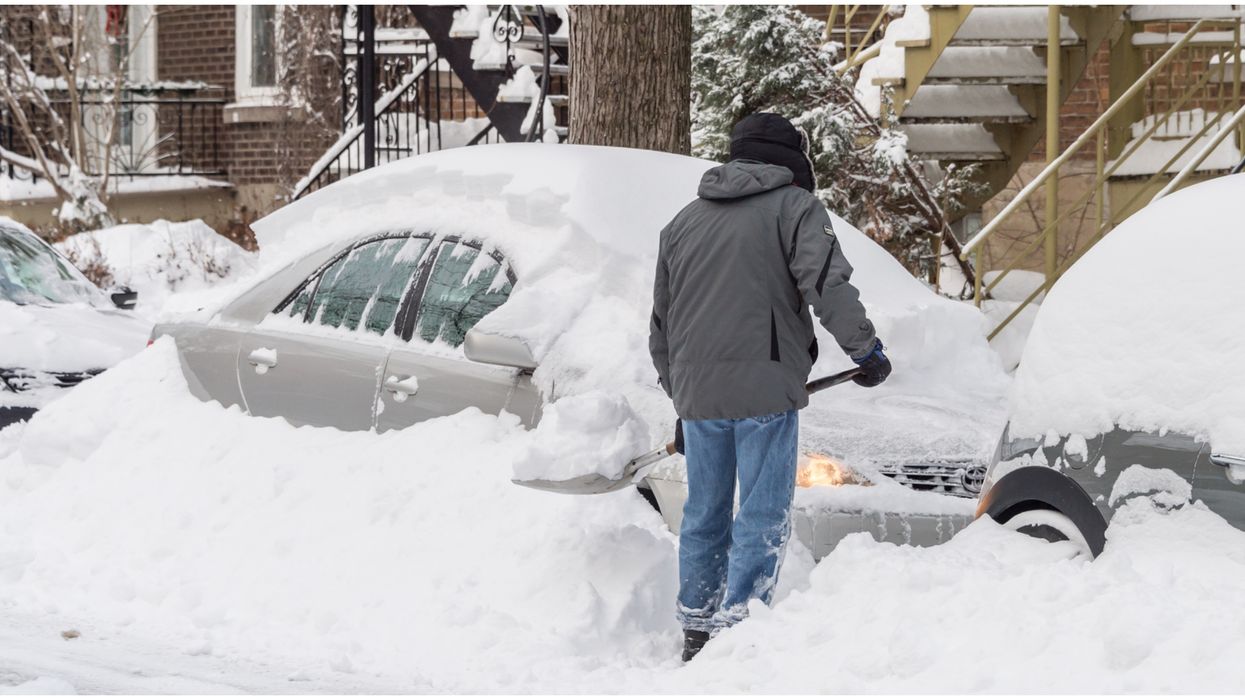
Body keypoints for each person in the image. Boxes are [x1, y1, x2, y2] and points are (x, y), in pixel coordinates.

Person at [648, 113, 892, 663]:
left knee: (704, 513)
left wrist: (681, 400)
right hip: (763, 391)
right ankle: (741, 627)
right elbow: (827, 284)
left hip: (699, 396)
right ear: (790, 159)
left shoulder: (682, 223)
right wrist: (865, 351)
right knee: (761, 512)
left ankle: (697, 626)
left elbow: (661, 324)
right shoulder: (796, 208)